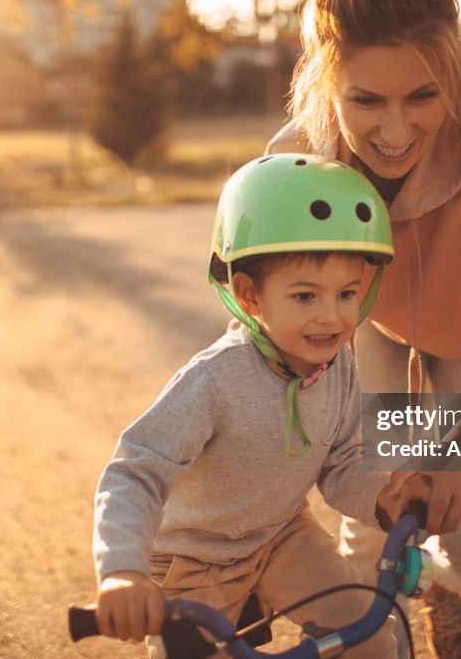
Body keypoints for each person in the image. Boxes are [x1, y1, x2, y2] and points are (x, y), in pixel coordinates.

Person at [266, 0, 461, 657]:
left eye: (423, 96)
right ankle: (375, 628)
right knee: (372, 521)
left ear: (455, 71)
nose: (394, 132)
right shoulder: (295, 162)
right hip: (365, 325)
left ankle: (436, 580)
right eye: (365, 101)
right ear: (325, 84)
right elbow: (263, 327)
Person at [92, 154, 427, 658]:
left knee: (372, 637)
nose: (332, 317)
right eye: (305, 296)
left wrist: (383, 500)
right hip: (192, 561)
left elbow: (340, 467)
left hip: (279, 537)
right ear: (249, 295)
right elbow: (134, 472)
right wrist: (121, 570)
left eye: (347, 293)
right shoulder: (215, 380)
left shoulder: (339, 367)